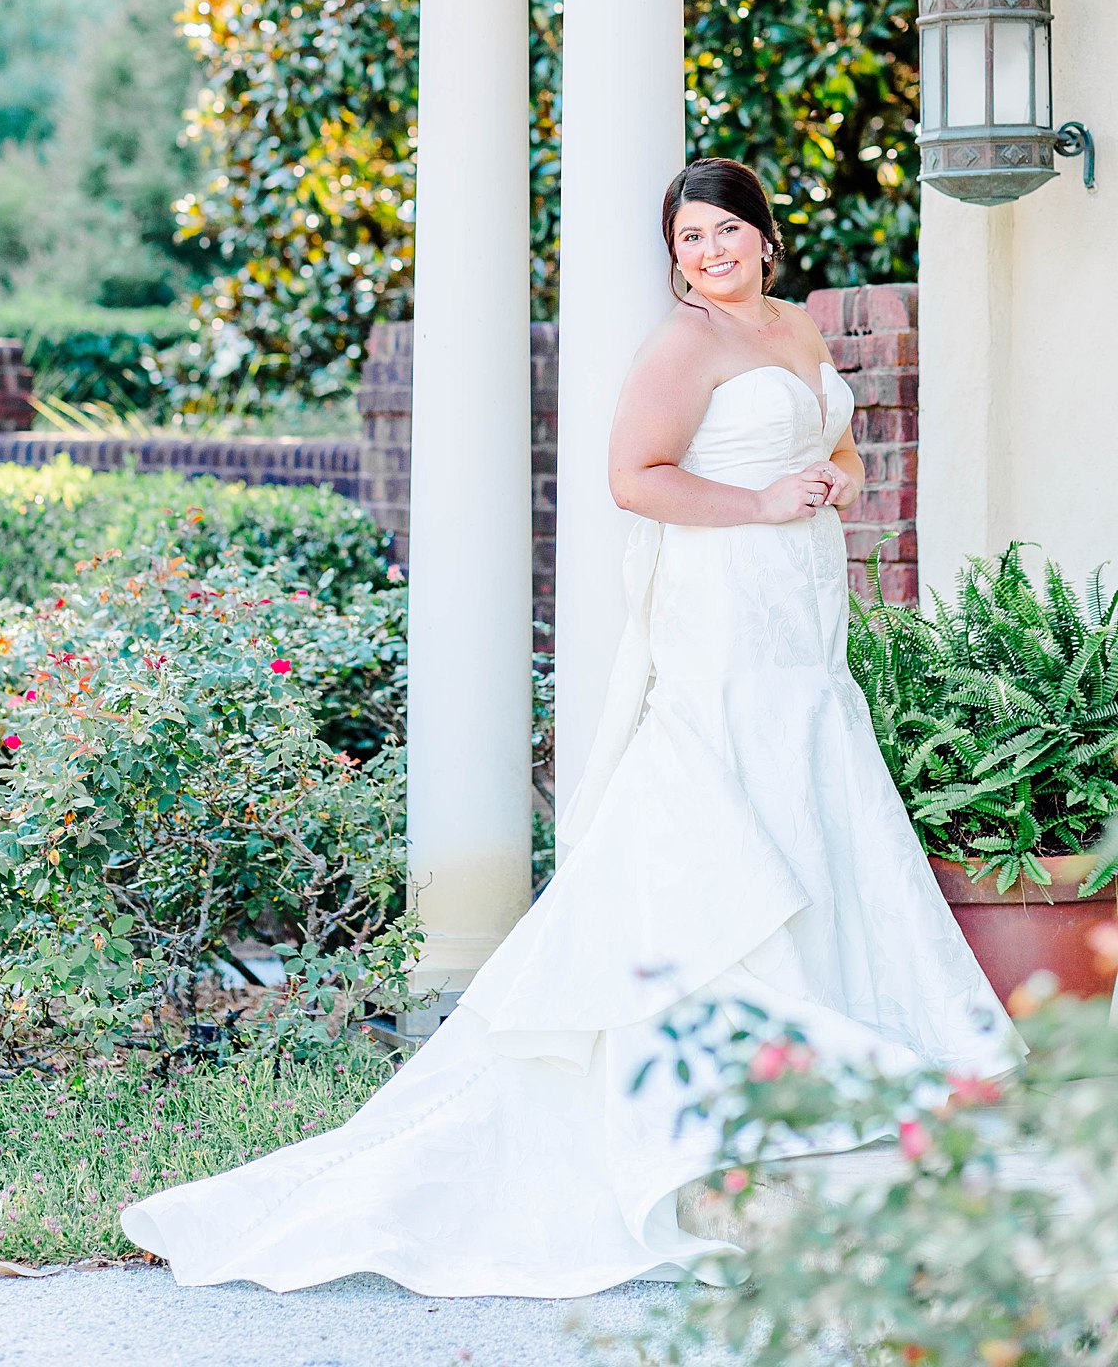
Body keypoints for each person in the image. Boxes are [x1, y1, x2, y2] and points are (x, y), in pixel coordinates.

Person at [121, 157, 1021, 1297]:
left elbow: (838, 442)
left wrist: (835, 479)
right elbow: (631, 478)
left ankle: (821, 1115)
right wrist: (753, 503)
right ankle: (717, 1128)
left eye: (723, 232)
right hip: (725, 614)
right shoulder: (681, 348)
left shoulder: (796, 328)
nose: (707, 253)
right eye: (688, 239)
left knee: (815, 807)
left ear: (763, 236)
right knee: (717, 823)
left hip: (804, 620)